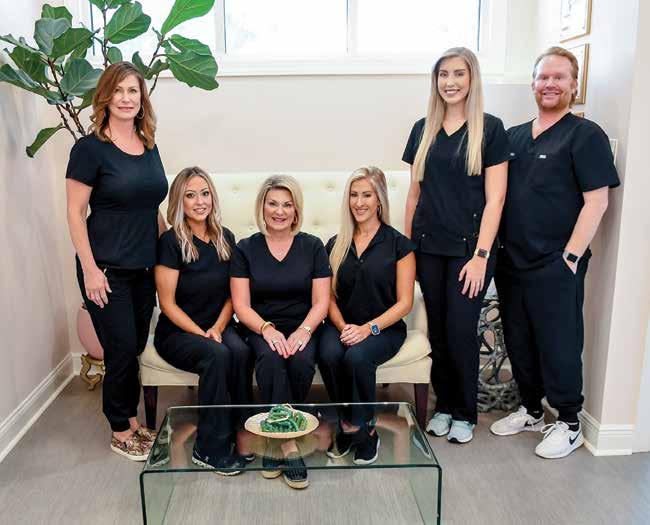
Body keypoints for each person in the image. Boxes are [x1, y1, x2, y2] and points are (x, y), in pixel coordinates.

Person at [490, 47, 620, 459]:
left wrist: (570, 258)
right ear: (532, 83)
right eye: (543, 77)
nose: (549, 84)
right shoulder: (512, 137)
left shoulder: (586, 135)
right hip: (512, 261)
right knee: (519, 340)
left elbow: (597, 201)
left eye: (559, 77)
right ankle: (531, 409)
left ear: (574, 85)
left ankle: (568, 421)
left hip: (556, 263)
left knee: (560, 343)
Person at [403, 47, 510, 444]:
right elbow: (414, 196)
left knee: (461, 330)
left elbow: (496, 199)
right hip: (428, 246)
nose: (450, 82)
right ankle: (444, 407)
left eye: (458, 74)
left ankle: (465, 413)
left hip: (470, 251)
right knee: (439, 331)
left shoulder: (491, 129)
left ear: (472, 78)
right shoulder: (422, 129)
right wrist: (407, 251)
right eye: (443, 74)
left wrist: (481, 256)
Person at [66, 62, 168, 461]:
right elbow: (75, 212)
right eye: (119, 91)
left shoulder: (148, 144)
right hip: (106, 269)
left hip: (144, 267)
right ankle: (119, 429)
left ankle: (132, 420)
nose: (126, 99)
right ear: (105, 97)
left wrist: (170, 250)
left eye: (133, 91)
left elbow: (152, 207)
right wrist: (90, 270)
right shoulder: (89, 149)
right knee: (121, 348)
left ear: (142, 99)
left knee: (135, 345)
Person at [230, 175, 332, 488]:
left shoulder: (312, 246)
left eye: (287, 205)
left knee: (301, 360)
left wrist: (304, 330)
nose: (279, 211)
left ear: (296, 209)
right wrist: (267, 329)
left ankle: (277, 437)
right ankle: (287, 444)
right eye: (273, 203)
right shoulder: (245, 248)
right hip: (259, 326)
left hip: (304, 325)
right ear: (262, 207)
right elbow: (241, 305)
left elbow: (322, 301)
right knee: (271, 359)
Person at [154, 167, 253, 474]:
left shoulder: (226, 237)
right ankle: (209, 448)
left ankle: (241, 433)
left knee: (242, 351)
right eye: (191, 195)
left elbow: (233, 295)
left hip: (217, 326)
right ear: (179, 201)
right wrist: (202, 334)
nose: (200, 202)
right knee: (218, 355)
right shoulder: (171, 242)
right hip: (178, 332)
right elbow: (167, 304)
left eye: (205, 193)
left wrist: (218, 328)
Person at [318, 167, 416, 465]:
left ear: (379, 200)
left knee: (357, 357)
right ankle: (348, 422)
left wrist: (367, 329)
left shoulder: (399, 245)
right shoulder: (336, 243)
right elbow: (328, 297)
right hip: (341, 324)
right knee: (328, 353)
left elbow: (405, 303)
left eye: (366, 195)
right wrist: (342, 326)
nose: (359, 202)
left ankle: (364, 431)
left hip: (383, 328)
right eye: (353, 195)